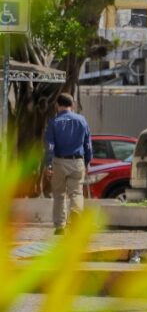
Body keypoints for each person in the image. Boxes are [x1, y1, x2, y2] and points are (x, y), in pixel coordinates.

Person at [43, 93, 92, 235]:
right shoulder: (82, 121)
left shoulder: (54, 122)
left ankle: (60, 227)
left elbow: (50, 146)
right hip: (77, 161)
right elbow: (88, 144)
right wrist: (87, 161)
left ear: (57, 105)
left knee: (59, 194)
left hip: (59, 161)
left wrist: (48, 164)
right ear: (72, 105)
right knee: (76, 193)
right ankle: (76, 216)